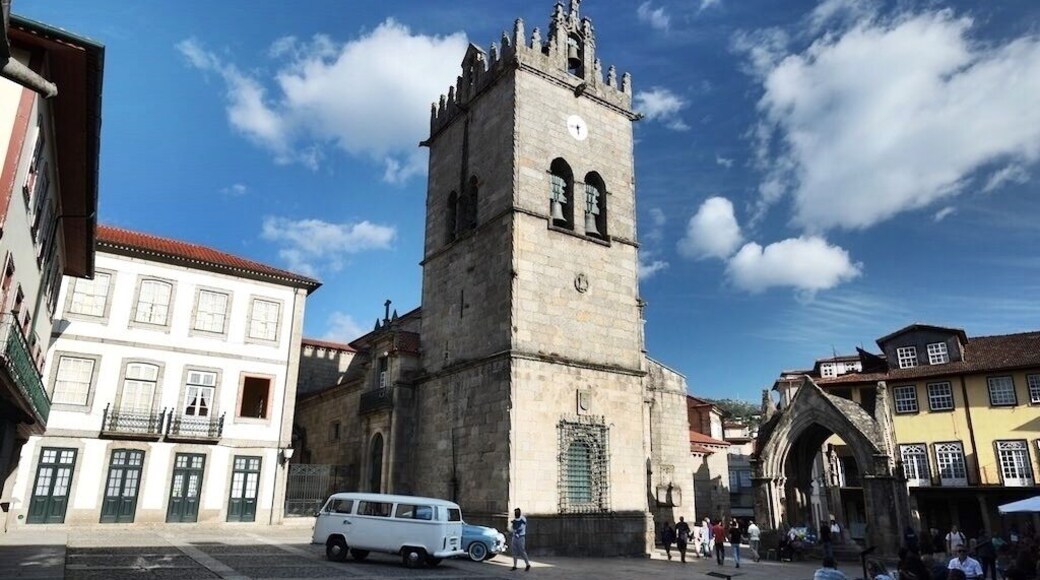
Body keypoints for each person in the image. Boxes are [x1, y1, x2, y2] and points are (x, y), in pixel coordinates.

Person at [510, 507, 531, 572]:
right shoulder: (515, 519)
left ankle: (527, 564)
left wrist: (515, 531)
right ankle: (515, 565)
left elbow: (520, 528)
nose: (515, 514)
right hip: (515, 537)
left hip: (521, 537)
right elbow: (513, 527)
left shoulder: (522, 519)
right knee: (514, 551)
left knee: (522, 551)